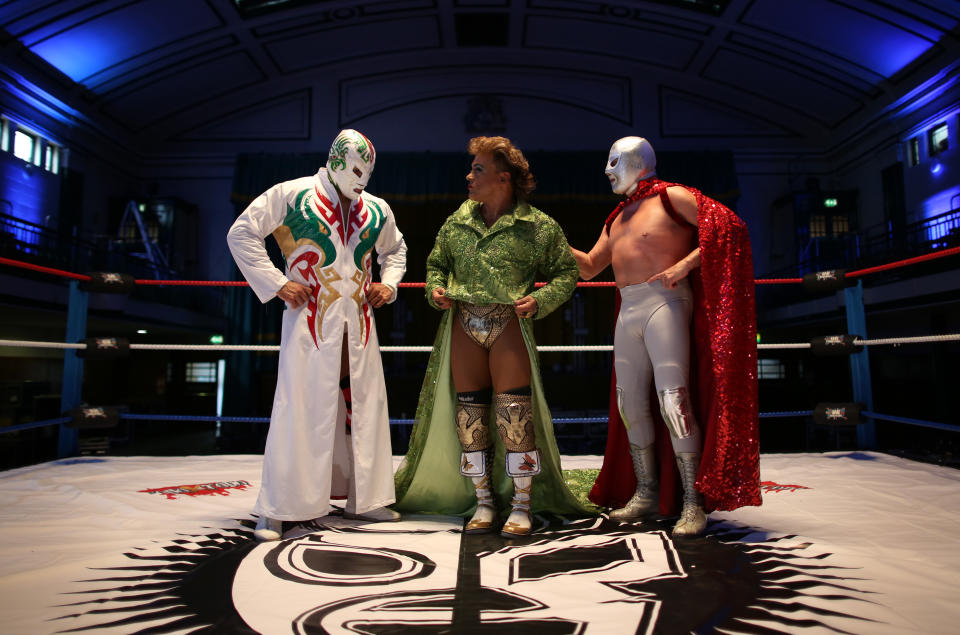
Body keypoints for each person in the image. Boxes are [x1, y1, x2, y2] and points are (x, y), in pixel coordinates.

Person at [393, 136, 586, 537]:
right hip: (463, 323)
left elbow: (567, 273)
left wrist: (540, 300)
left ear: (503, 178)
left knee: (516, 416)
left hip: (509, 324)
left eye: (477, 169)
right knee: (470, 416)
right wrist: (435, 290)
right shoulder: (456, 222)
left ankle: (521, 504)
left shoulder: (538, 226)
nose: (469, 175)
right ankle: (482, 501)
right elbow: (435, 266)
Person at [572, 136, 761, 536]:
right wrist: (547, 238)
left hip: (666, 302)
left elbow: (730, 228)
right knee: (629, 405)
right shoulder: (617, 217)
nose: (607, 170)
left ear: (637, 163)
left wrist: (685, 266)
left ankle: (693, 502)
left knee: (674, 400)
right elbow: (589, 267)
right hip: (629, 307)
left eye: (614, 161)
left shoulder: (672, 197)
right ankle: (646, 491)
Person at [227, 129, 407, 541]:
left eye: (369, 172)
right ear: (339, 161)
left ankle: (367, 499)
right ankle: (277, 507)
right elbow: (242, 233)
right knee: (298, 406)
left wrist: (389, 284)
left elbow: (395, 251)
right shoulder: (292, 194)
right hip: (310, 320)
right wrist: (276, 283)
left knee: (364, 405)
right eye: (357, 169)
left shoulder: (375, 209)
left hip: (359, 323)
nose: (362, 180)